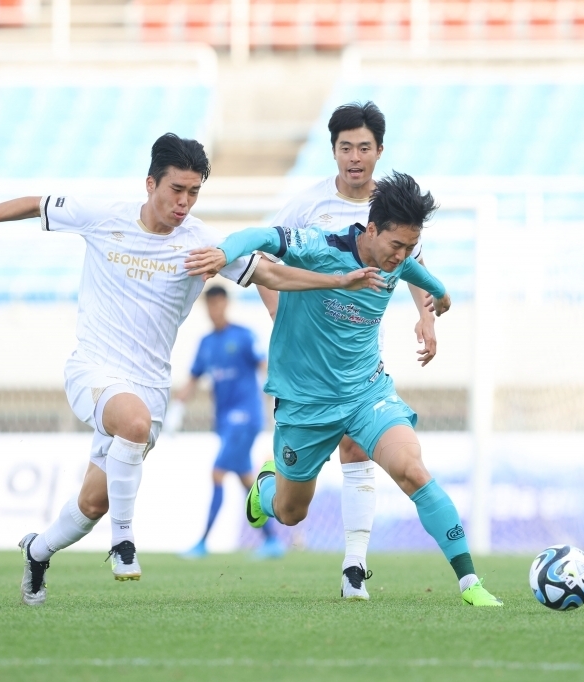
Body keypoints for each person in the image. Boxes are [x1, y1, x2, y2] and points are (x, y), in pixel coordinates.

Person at [0, 133, 384, 606]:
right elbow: (32, 204)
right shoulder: (105, 217)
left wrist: (333, 281)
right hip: (95, 367)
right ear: (151, 184)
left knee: (91, 504)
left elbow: (269, 273)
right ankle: (123, 543)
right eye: (176, 190)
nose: (183, 203)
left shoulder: (204, 242)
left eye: (193, 193)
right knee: (132, 422)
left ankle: (37, 552)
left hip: (150, 385)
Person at [185, 171, 503, 606]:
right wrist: (222, 253)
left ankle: (471, 583)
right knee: (291, 513)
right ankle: (265, 489)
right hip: (305, 402)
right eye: (396, 246)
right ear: (371, 230)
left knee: (412, 469)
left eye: (410, 248)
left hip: (367, 394)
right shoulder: (320, 247)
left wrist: (439, 298)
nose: (401, 257)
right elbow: (257, 234)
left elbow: (422, 276)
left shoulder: (399, 260)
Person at [255, 101, 439, 599]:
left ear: (379, 151)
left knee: (358, 446)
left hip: (360, 357)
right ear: (333, 150)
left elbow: (415, 269)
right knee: (294, 510)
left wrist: (425, 316)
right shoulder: (307, 206)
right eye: (345, 147)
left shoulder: (396, 210)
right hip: (309, 366)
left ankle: (354, 566)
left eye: (364, 147)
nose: (354, 157)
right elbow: (263, 262)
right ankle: (267, 492)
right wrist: (278, 312)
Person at [169, 286, 286, 560]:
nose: (214, 309)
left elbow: (264, 366)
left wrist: (281, 396)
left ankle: (202, 542)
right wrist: (176, 408)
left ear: (226, 304)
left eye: (218, 303)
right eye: (210, 305)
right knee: (246, 479)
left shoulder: (243, 337)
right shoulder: (206, 343)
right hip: (224, 420)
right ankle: (272, 541)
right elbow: (194, 377)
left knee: (218, 473)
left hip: (245, 417)